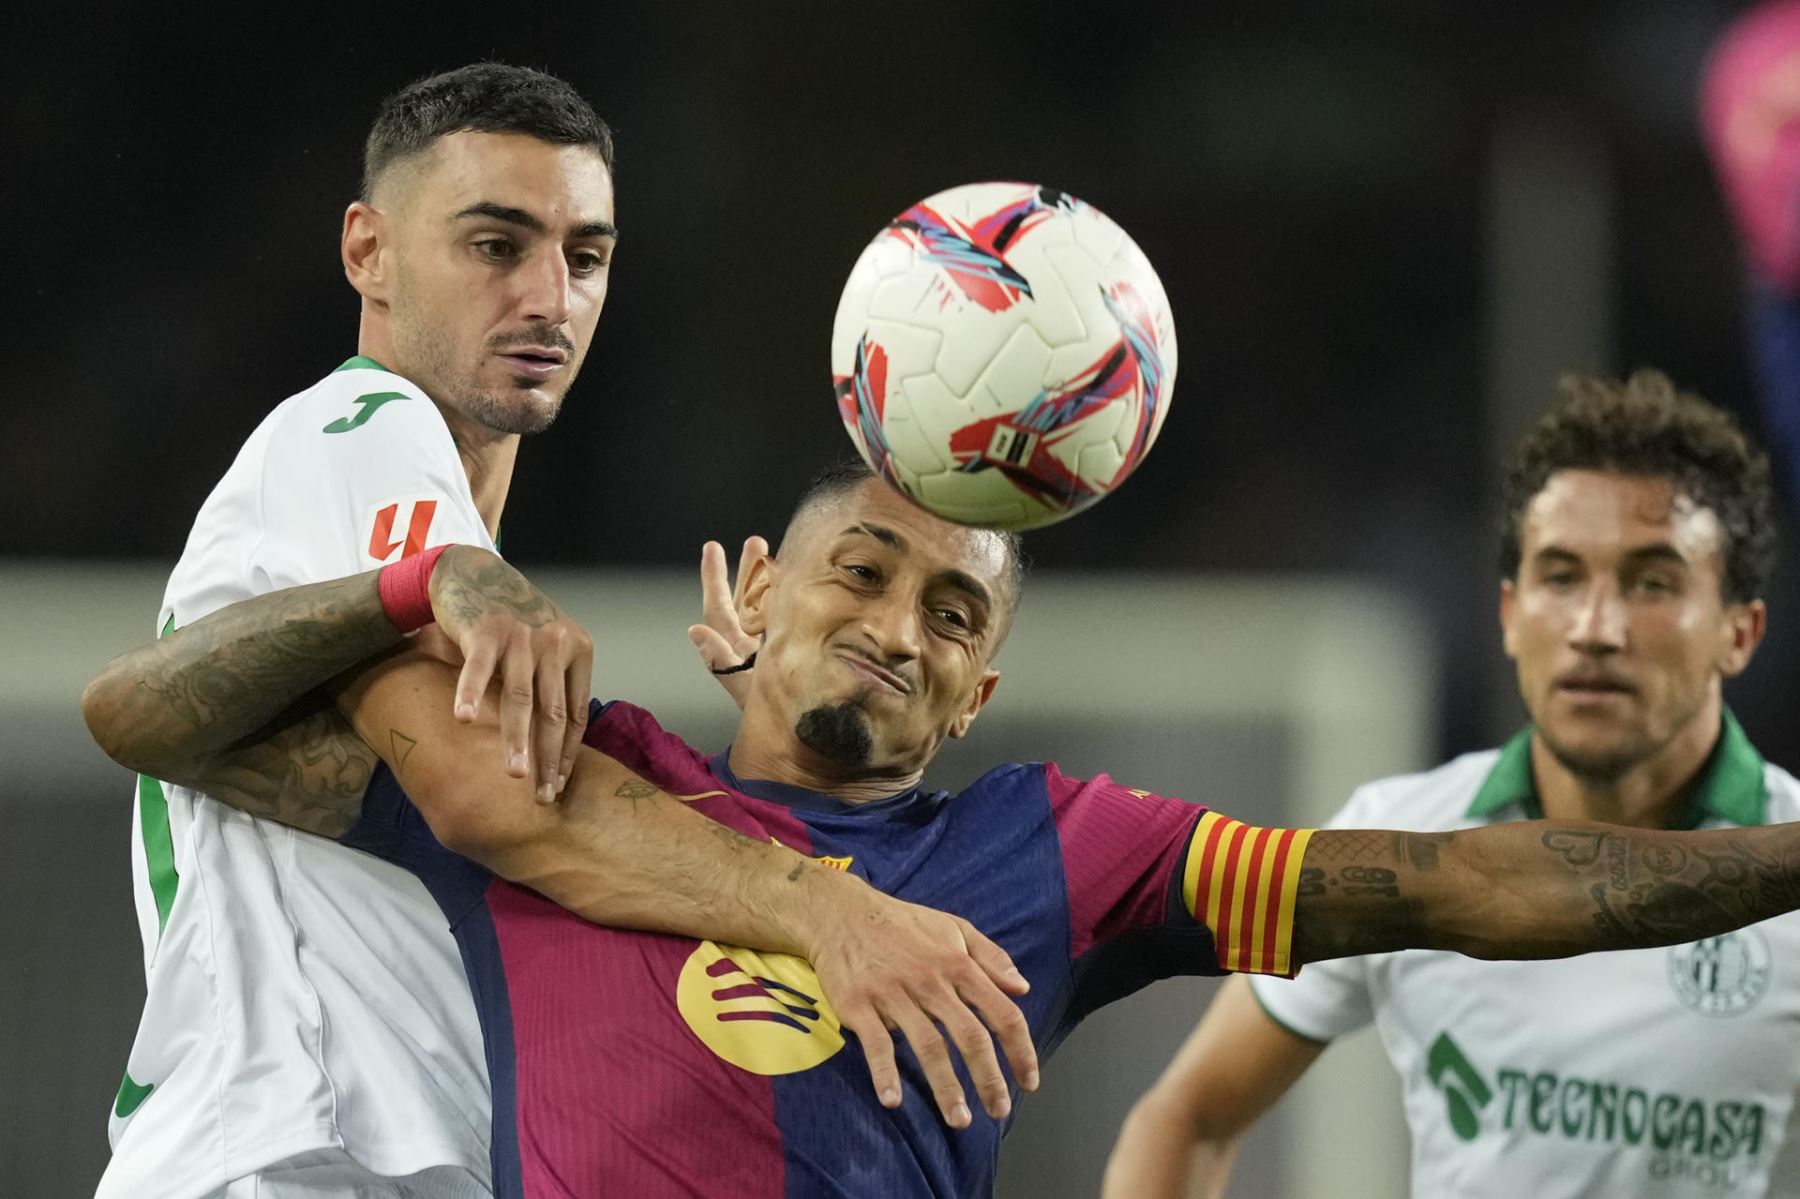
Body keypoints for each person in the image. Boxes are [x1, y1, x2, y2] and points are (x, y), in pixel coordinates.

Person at [87, 448, 1800, 1196]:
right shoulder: (554, 769)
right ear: (750, 596)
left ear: (977, 693)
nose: (903, 626)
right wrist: (410, 578)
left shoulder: (1055, 844)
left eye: (958, 615)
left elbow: (1447, 877)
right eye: (864, 569)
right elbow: (150, 714)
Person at [101, 64, 1030, 1199]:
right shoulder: (356, 429)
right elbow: (496, 799)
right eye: (496, 246)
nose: (550, 297)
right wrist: (825, 903)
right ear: (368, 251)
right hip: (297, 1156)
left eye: (585, 257)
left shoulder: (434, 540)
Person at [1103, 371, 1800, 1198]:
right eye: (1561, 576)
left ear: (1740, 631)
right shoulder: (1408, 835)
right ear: (1509, 613)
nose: (1595, 628)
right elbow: (1188, 1117)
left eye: (1651, 582)